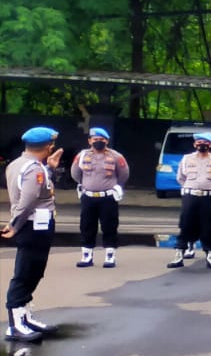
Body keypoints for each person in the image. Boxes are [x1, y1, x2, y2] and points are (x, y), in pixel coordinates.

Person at [4, 127, 63, 342]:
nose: (53, 147)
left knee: (33, 271)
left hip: (34, 225)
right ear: (48, 146)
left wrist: (50, 169)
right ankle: (16, 325)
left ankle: (25, 318)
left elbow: (37, 190)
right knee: (26, 273)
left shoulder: (20, 164)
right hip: (32, 226)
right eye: (51, 144)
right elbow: (27, 201)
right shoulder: (33, 169)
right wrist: (15, 225)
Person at [168, 131, 211, 270]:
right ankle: (179, 255)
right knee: (185, 225)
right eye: (199, 142)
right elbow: (180, 177)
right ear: (195, 144)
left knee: (208, 225)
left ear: (210, 144)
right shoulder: (187, 159)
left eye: (205, 143)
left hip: (208, 197)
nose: (202, 145)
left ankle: (210, 256)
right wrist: (189, 187)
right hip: (190, 196)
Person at [70, 126, 129, 269]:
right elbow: (75, 173)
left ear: (107, 141)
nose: (98, 141)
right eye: (95, 139)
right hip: (88, 197)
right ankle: (86, 256)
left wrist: (113, 186)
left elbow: (123, 174)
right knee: (86, 226)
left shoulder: (116, 156)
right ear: (89, 141)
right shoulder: (82, 155)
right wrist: (86, 184)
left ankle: (110, 256)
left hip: (107, 197)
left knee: (109, 226)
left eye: (101, 139)